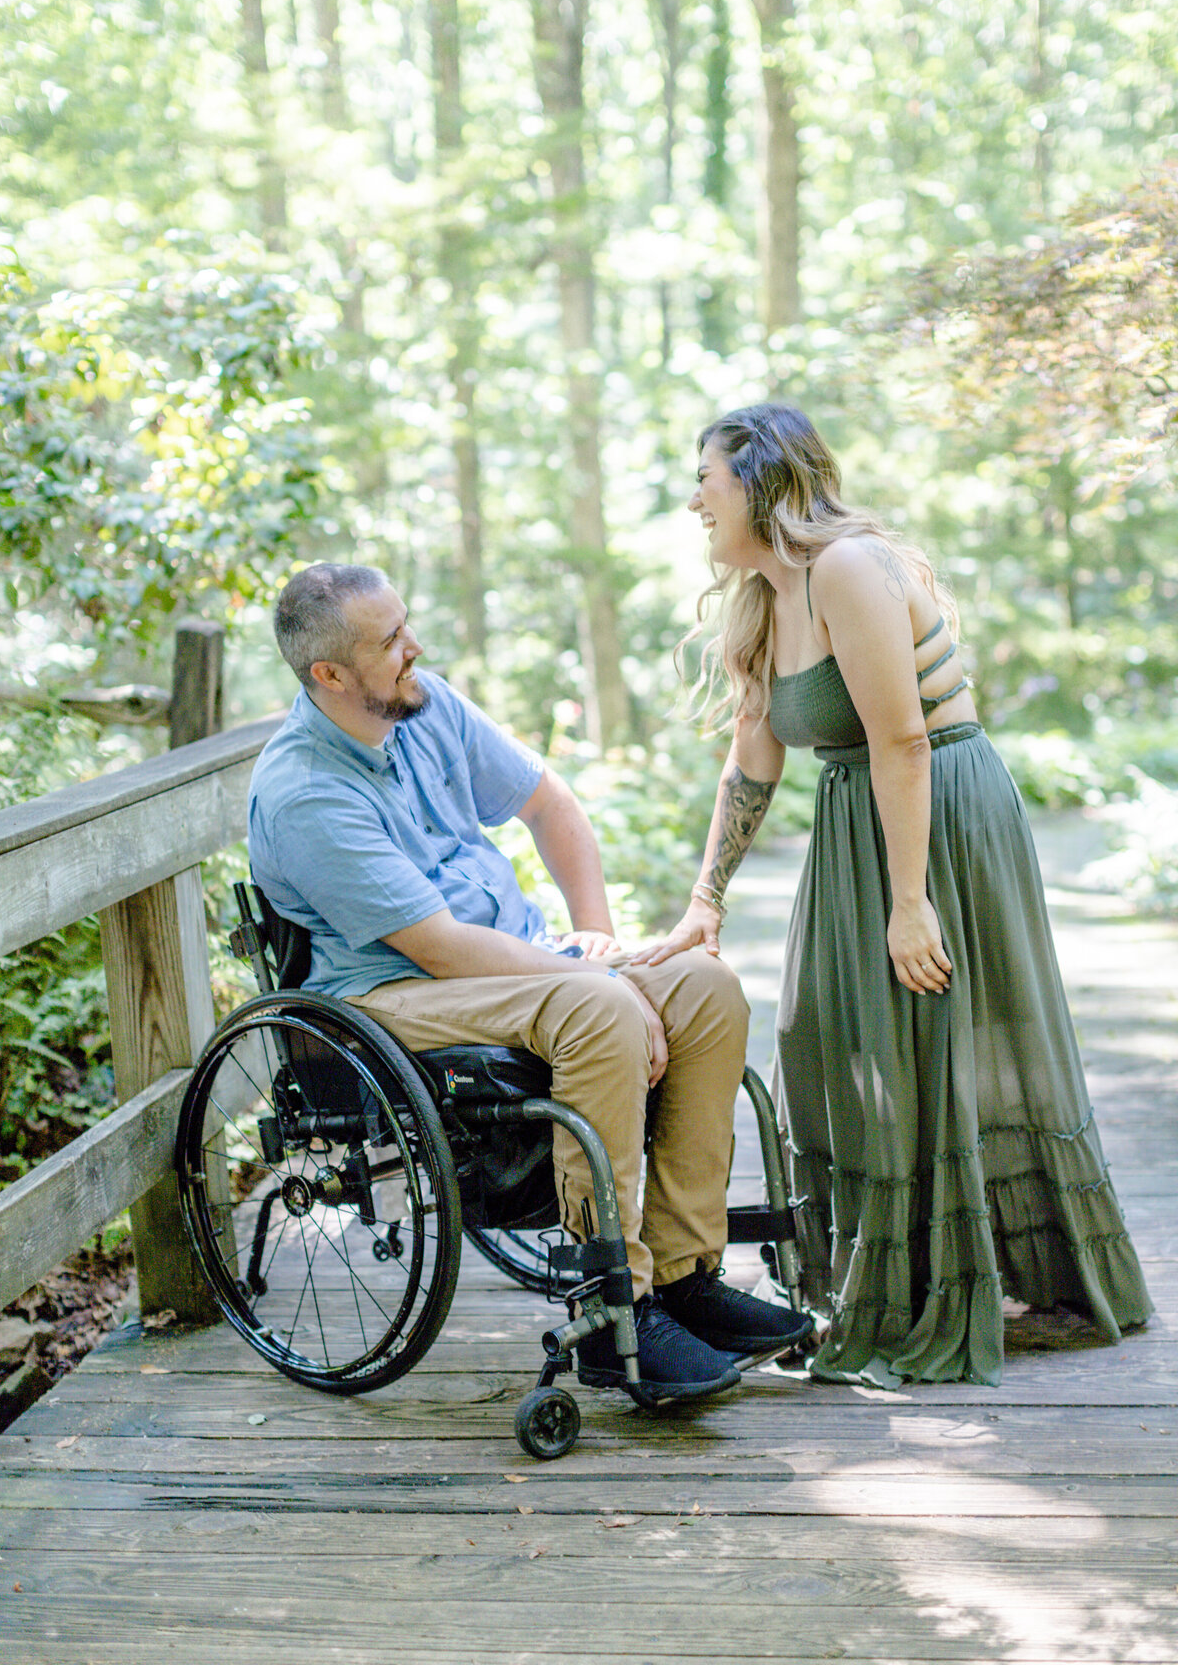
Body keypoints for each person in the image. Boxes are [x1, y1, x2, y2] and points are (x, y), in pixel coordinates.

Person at [635, 402, 1153, 1387]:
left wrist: (909, 903)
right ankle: (874, 1285)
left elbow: (904, 740)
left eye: (705, 477)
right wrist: (707, 898)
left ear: (760, 484)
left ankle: (962, 1288)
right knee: (824, 1035)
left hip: (935, 812)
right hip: (851, 820)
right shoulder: (762, 594)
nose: (693, 498)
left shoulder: (847, 570)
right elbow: (752, 754)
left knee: (918, 1035)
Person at [247, 561, 813, 1407]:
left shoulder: (423, 705)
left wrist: (607, 947)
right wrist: (604, 987)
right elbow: (438, 949)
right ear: (329, 674)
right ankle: (612, 1301)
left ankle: (686, 1272)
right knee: (595, 1005)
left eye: (408, 624)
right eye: (390, 642)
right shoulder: (304, 793)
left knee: (699, 986)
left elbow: (553, 807)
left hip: (504, 959)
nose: (416, 648)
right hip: (384, 1000)